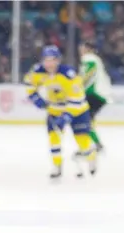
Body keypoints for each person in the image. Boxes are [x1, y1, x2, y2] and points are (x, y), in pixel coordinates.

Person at [24, 45, 97, 179]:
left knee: (82, 141)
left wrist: (67, 115)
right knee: (54, 139)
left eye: (52, 60)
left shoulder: (68, 74)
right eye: (46, 60)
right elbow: (29, 84)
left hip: (77, 111)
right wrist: (36, 98)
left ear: (58, 60)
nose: (49, 63)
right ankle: (56, 166)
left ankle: (91, 158)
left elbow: (78, 96)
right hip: (55, 110)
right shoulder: (37, 71)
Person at [78, 41, 111, 152]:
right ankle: (95, 144)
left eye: (82, 48)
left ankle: (89, 146)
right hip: (100, 94)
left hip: (94, 93)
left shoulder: (89, 58)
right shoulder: (96, 59)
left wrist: (78, 85)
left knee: (83, 120)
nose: (81, 51)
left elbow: (89, 73)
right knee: (86, 120)